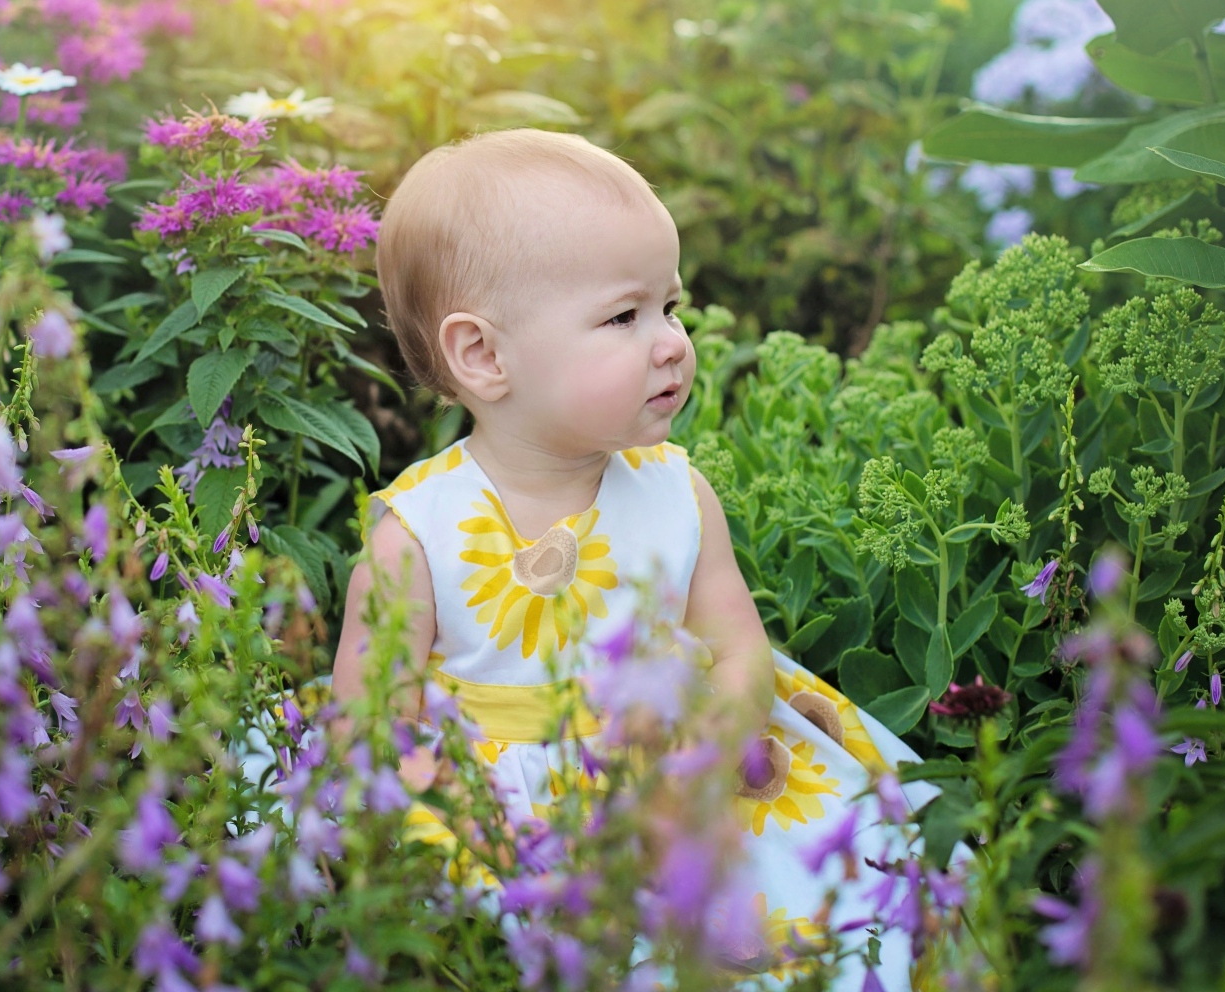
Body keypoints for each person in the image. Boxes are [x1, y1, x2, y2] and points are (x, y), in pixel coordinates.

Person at [331, 128, 935, 991]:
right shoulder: (416, 536)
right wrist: (465, 822)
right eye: (624, 316)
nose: (671, 343)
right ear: (485, 356)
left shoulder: (676, 493)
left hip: (682, 770)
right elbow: (370, 724)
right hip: (504, 803)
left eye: (671, 308)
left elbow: (737, 650)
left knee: (842, 899)